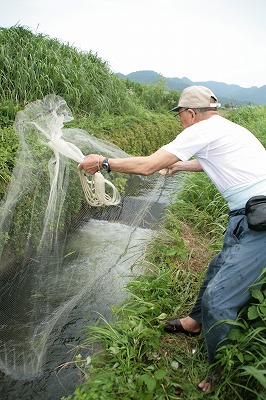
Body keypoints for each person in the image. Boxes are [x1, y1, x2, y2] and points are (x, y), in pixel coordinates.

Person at [78, 85, 266, 392]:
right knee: (216, 269)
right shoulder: (228, 128)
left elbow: (148, 166)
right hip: (246, 216)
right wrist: (178, 164)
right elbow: (210, 160)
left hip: (259, 222)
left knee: (219, 300)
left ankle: (220, 373)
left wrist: (103, 163)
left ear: (191, 114)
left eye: (180, 115)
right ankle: (194, 323)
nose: (180, 121)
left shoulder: (199, 130)